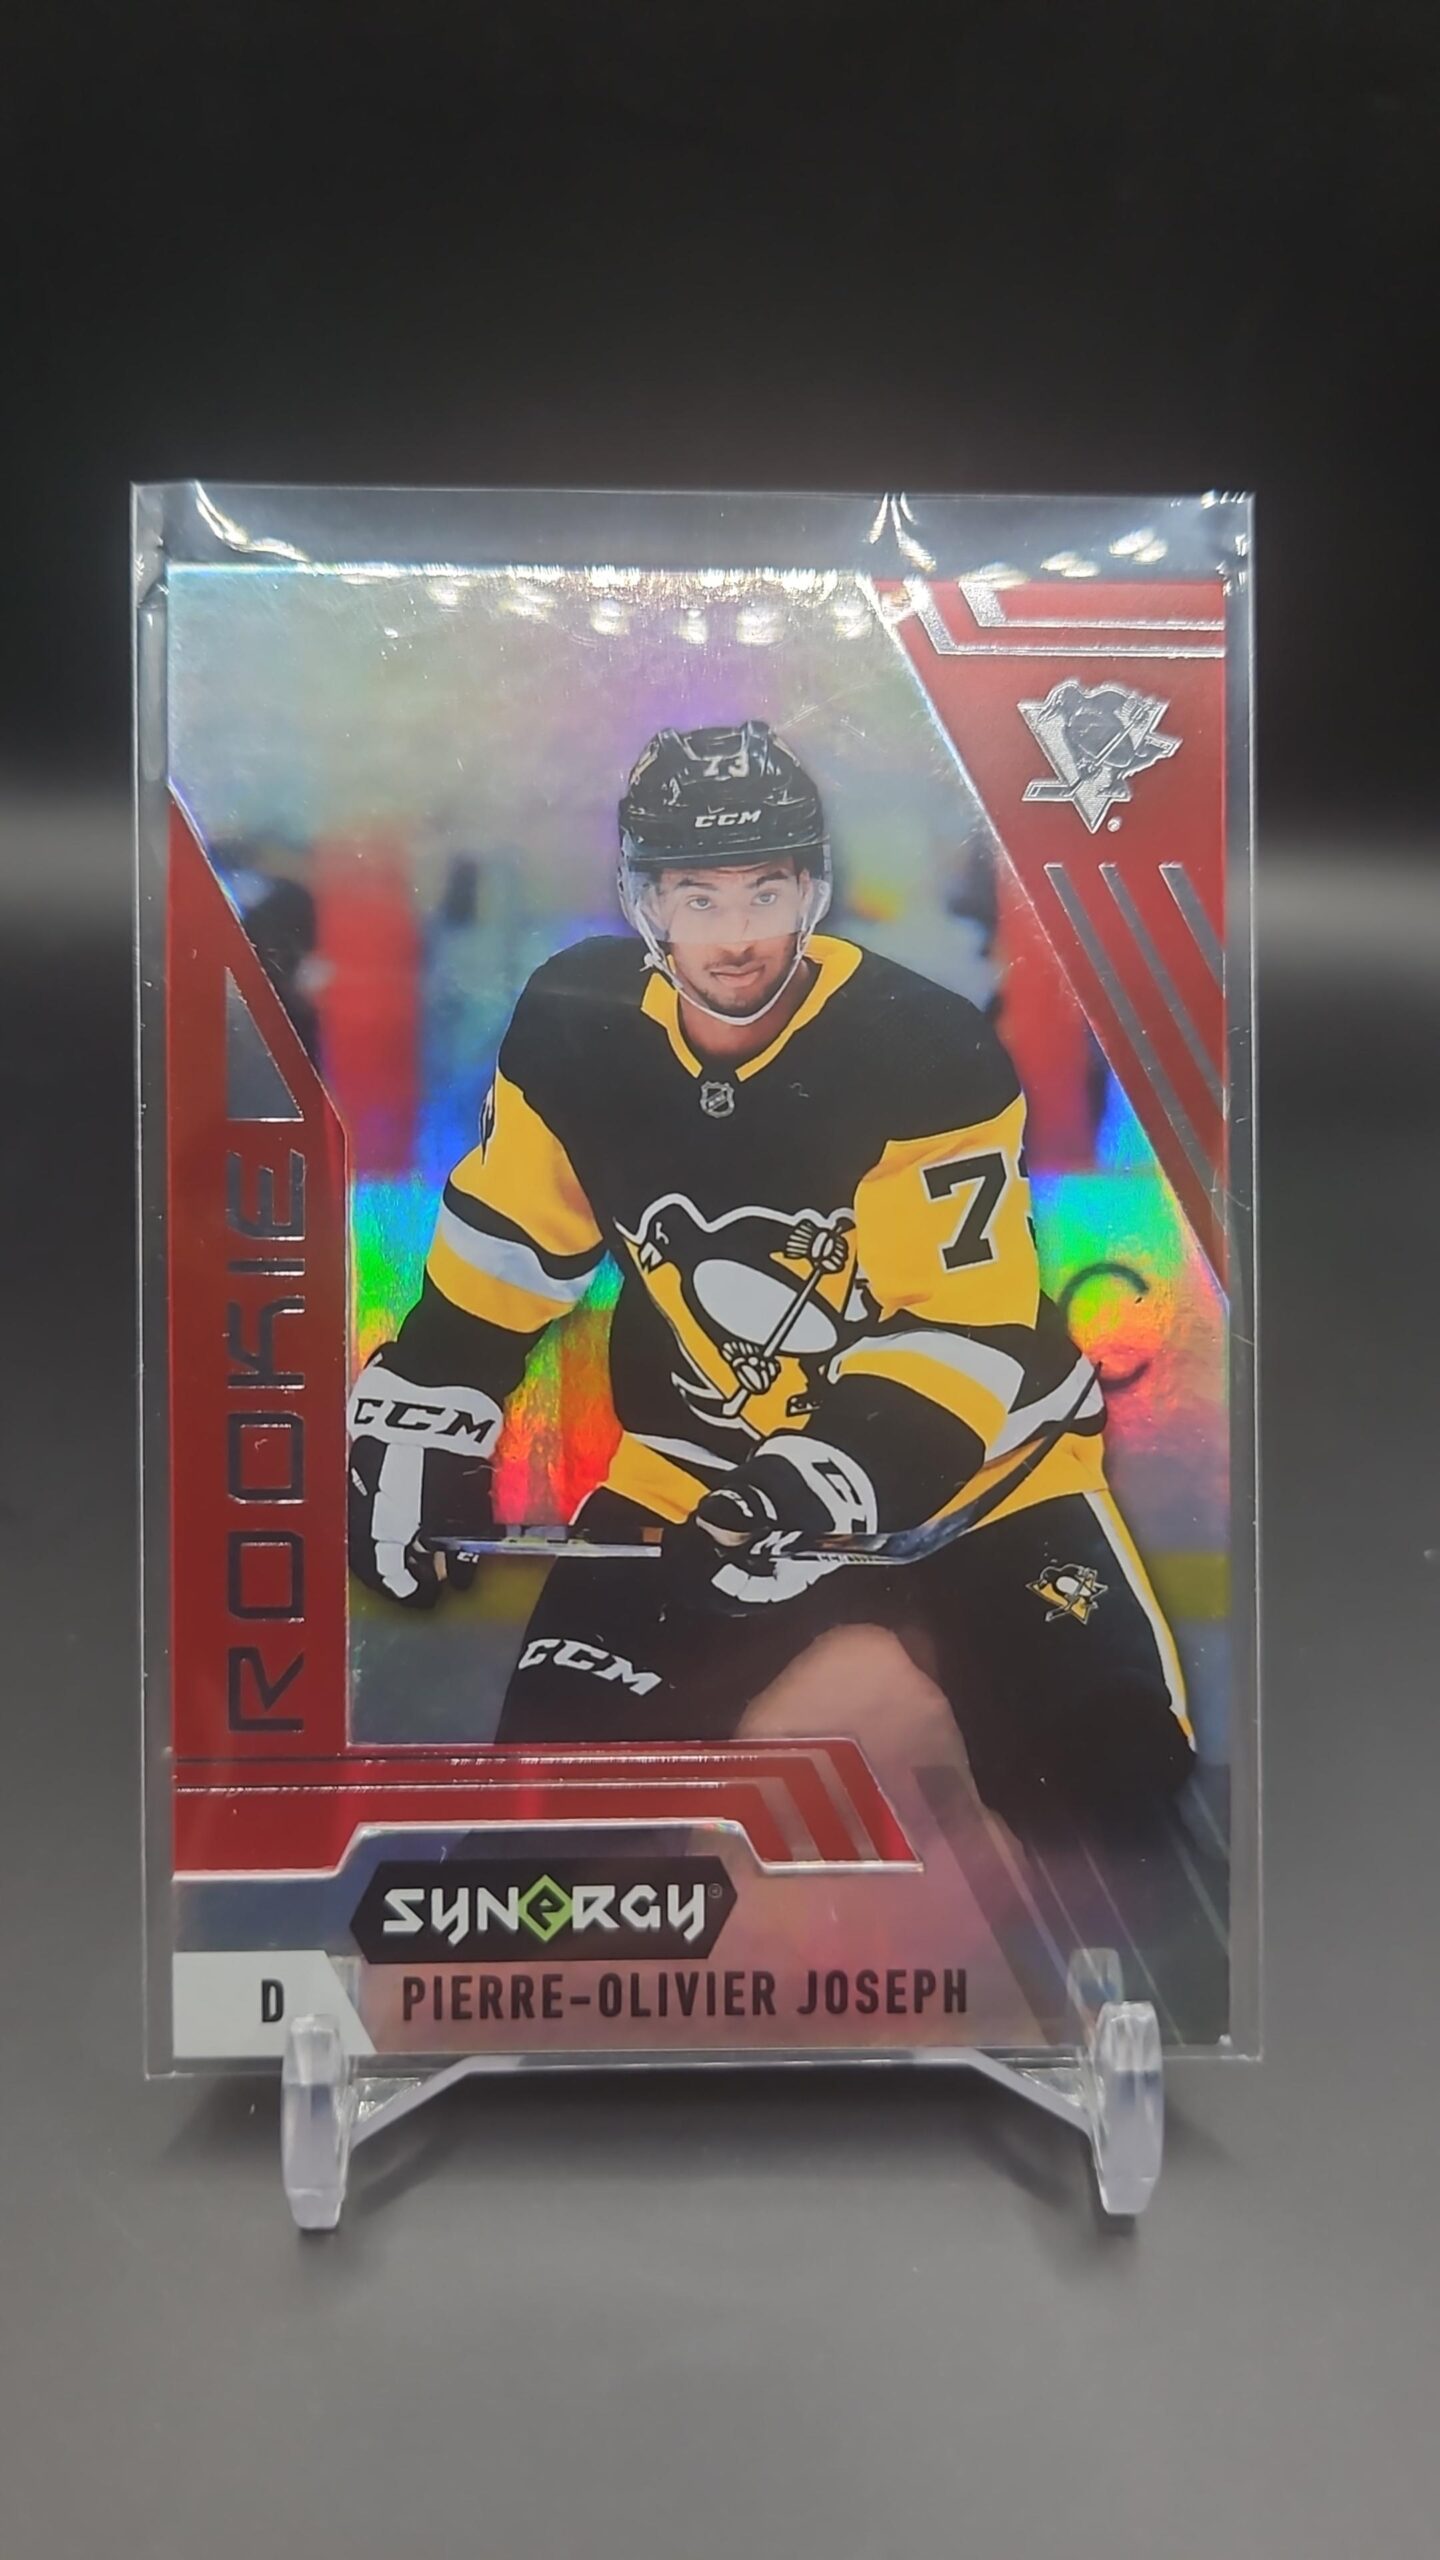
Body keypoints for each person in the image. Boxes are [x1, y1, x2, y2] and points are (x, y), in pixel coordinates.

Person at [347, 720, 1195, 1850]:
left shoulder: (921, 1046)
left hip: (990, 1477)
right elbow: (510, 1242)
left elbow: (959, 1323)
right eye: (699, 898)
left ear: (813, 889)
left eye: (766, 892)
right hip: (697, 1471)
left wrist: (810, 1486)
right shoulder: (575, 1027)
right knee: (545, 1838)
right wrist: (426, 1405)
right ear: (645, 900)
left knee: (1121, 1797)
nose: (738, 934)